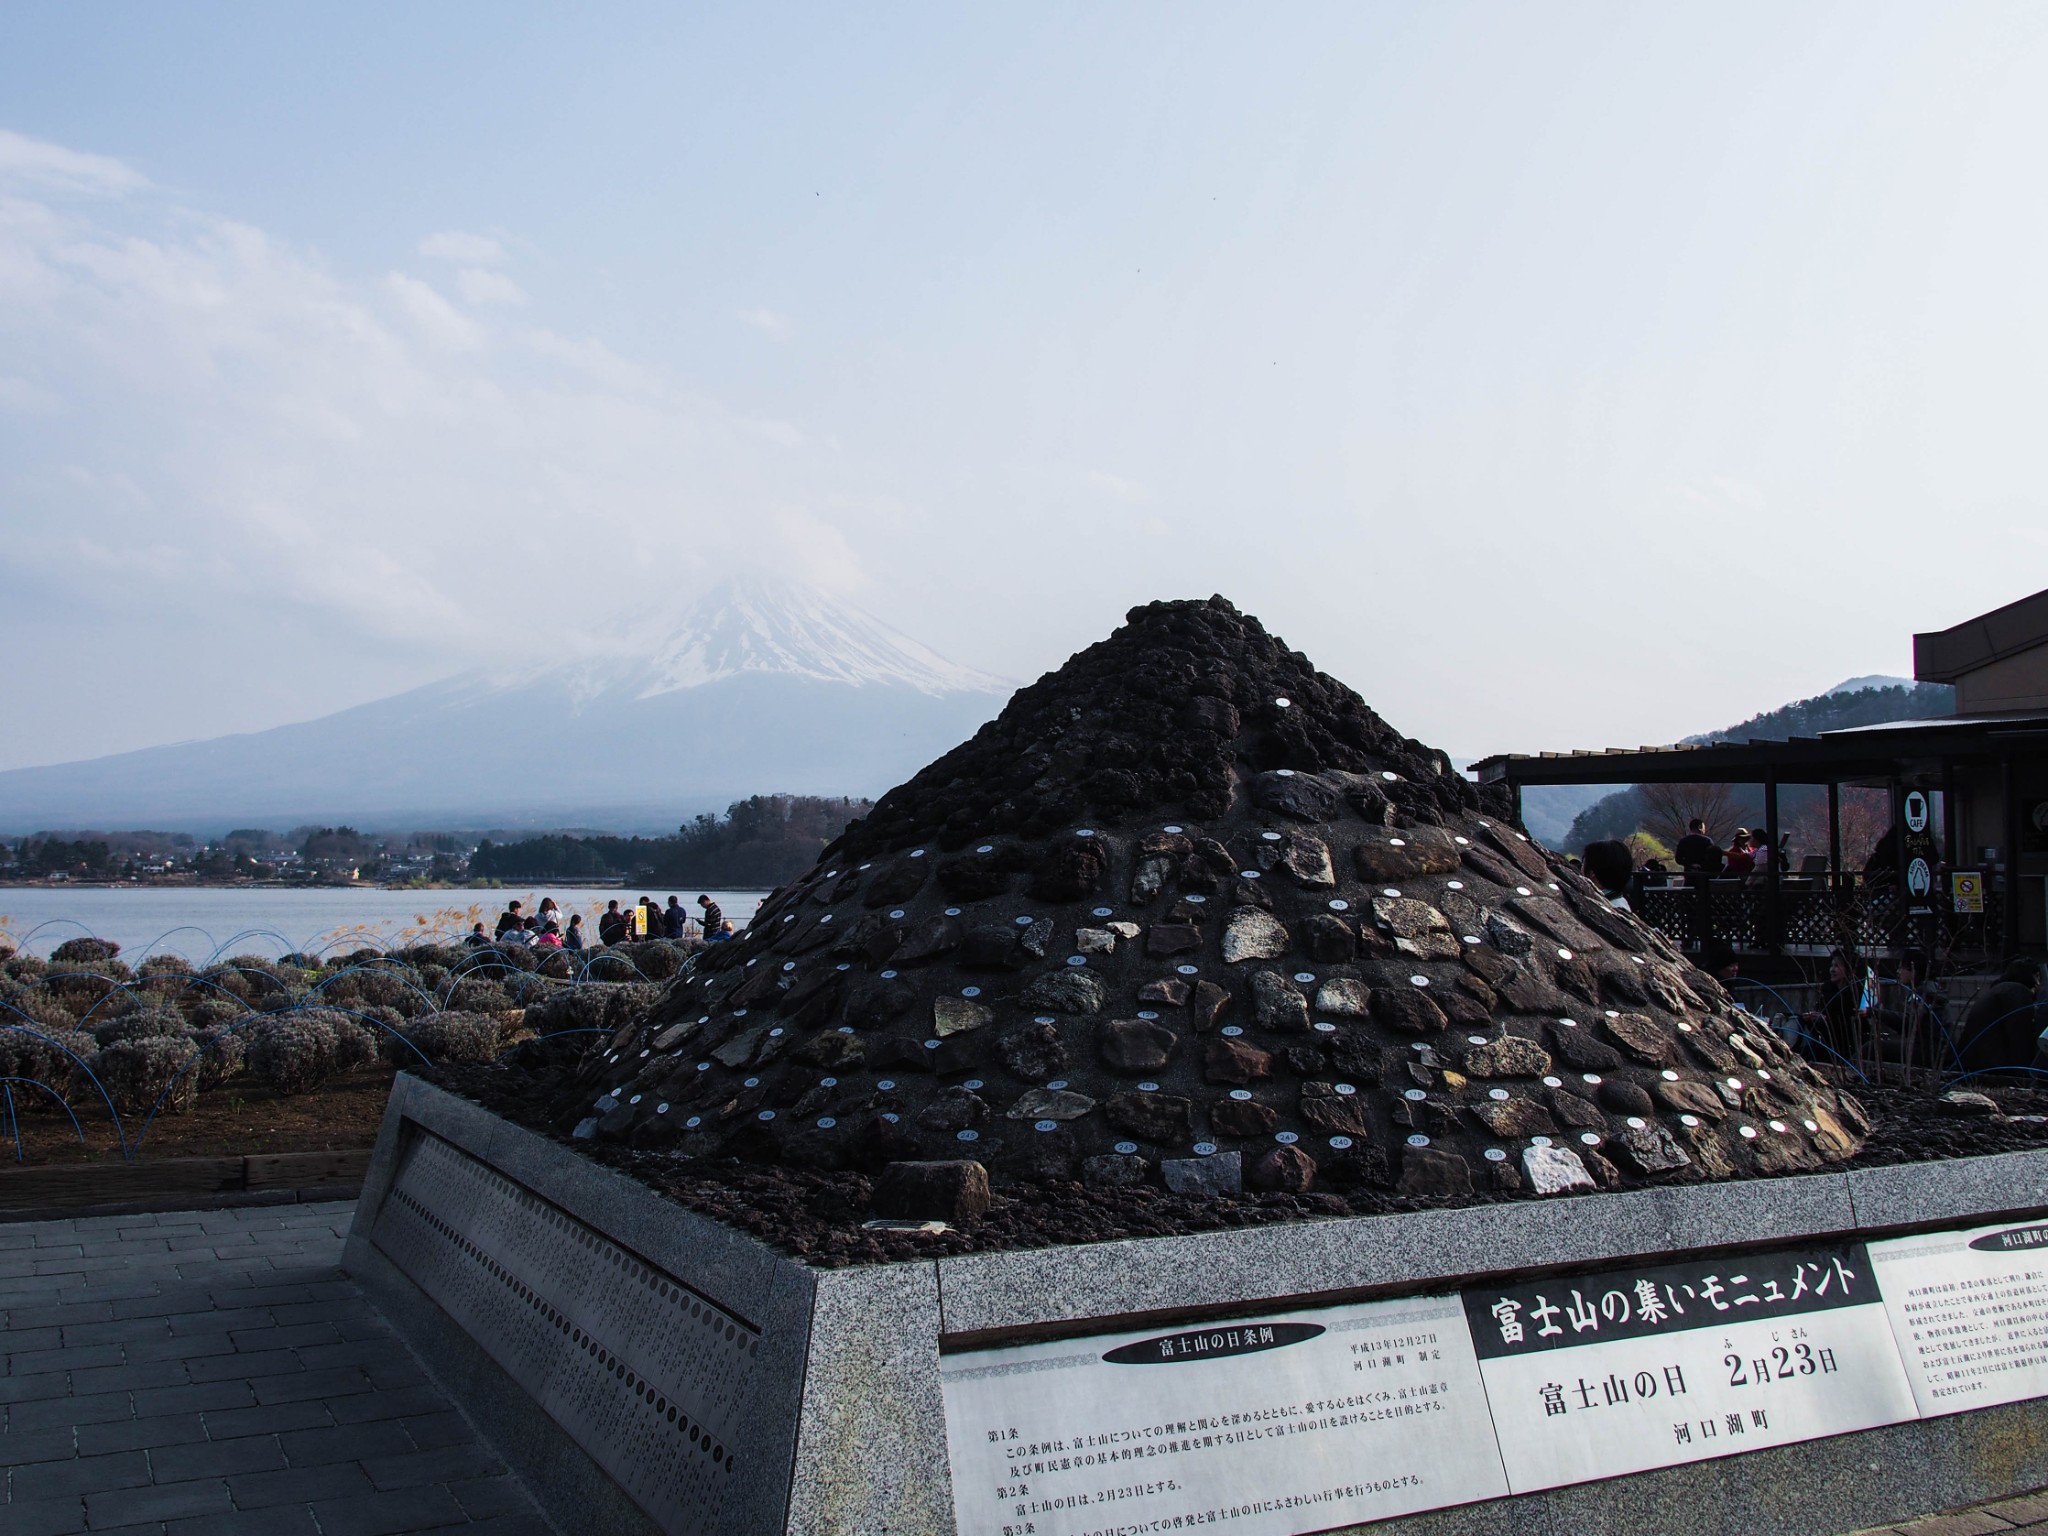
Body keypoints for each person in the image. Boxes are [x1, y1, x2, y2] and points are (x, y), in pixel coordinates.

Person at [1961, 958, 2043, 1075]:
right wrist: (2024, 1074)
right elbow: (2019, 1036)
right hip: (1994, 1065)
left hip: (1977, 1061)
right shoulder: (2017, 993)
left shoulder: (2002, 990)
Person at [1580, 840, 1635, 909]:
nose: (1580, 869)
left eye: (1583, 864)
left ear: (1592, 872)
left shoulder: (1600, 909)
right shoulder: (1620, 904)